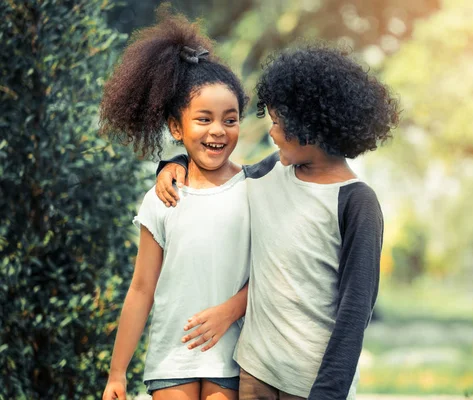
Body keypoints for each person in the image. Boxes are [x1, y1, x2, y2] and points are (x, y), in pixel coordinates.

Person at [156, 45, 400, 399]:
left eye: (277, 122)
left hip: (313, 385)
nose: (271, 132)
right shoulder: (269, 172)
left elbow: (355, 312)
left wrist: (328, 392)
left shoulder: (357, 202)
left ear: (311, 125)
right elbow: (213, 173)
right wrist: (172, 163)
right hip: (255, 374)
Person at [99, 11, 251, 400]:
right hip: (171, 359)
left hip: (235, 357)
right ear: (175, 127)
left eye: (229, 120)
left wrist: (233, 307)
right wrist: (117, 373)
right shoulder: (162, 198)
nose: (218, 130)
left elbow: (272, 273)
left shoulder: (255, 188)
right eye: (204, 119)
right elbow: (141, 288)